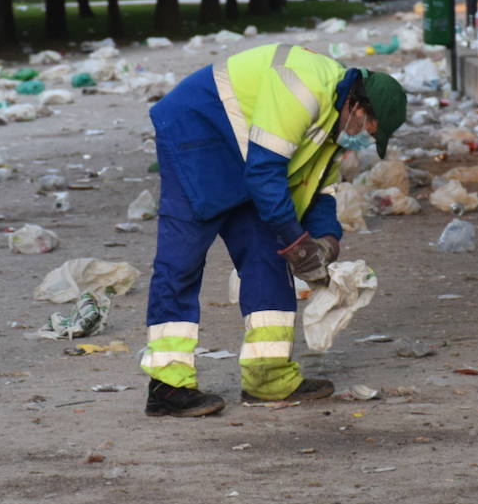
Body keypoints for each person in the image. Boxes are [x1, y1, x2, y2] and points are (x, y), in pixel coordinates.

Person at [140, 43, 407, 417]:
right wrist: (298, 243)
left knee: (267, 256)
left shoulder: (336, 122)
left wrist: (326, 242)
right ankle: (167, 387)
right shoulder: (304, 88)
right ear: (358, 108)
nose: (361, 137)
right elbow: (265, 172)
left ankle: (269, 377)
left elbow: (318, 190)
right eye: (366, 128)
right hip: (196, 134)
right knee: (180, 261)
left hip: (247, 153)